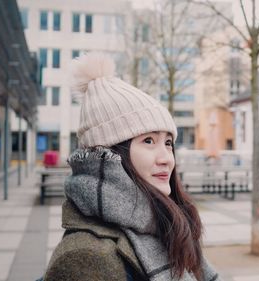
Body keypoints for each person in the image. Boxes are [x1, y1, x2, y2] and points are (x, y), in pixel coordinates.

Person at [44, 53, 220, 281]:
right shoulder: (86, 257)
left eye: (168, 143)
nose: (166, 157)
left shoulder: (166, 225)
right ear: (109, 154)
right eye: (148, 141)